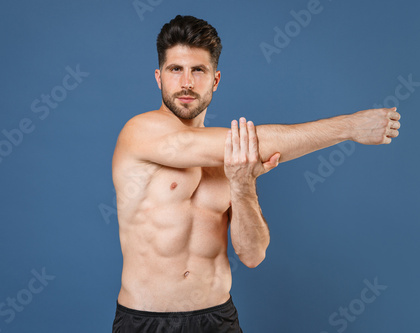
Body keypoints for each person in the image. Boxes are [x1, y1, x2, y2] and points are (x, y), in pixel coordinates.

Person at [111, 15, 401, 333]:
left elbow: (252, 255)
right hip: (146, 322)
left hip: (218, 318)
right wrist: (350, 126)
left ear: (216, 79)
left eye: (198, 70)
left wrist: (242, 183)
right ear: (158, 77)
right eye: (175, 69)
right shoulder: (140, 131)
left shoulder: (233, 159)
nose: (187, 83)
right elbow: (257, 143)